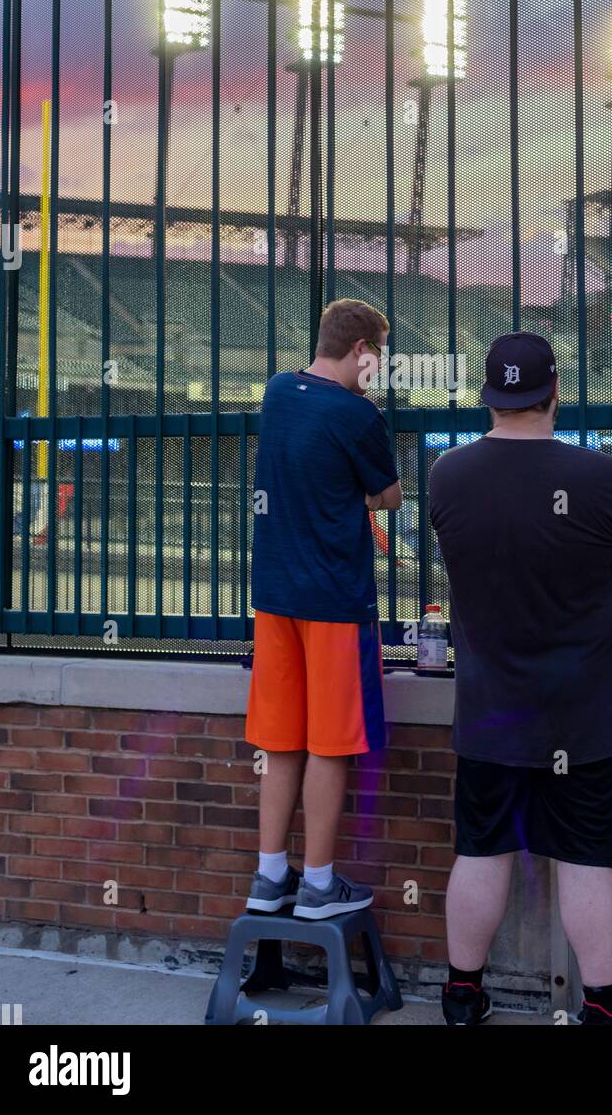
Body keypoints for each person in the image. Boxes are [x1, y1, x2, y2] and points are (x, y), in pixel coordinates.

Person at [429, 332, 612, 1026]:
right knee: (587, 860)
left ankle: (462, 994)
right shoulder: (602, 478)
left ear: (488, 398)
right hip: (583, 717)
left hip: (490, 715)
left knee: (481, 849)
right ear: (554, 392)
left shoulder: (448, 474)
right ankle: (606, 1010)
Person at [244, 298, 401, 920]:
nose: (378, 369)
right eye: (378, 357)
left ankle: (269, 876)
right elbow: (387, 496)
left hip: (275, 596)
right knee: (331, 745)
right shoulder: (358, 412)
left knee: (281, 741)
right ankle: (317, 884)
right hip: (334, 600)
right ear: (362, 350)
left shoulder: (280, 391)